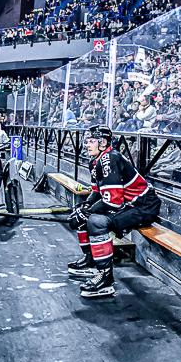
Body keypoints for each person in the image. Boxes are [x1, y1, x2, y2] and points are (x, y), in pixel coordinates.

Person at [67, 125, 161, 298]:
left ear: (102, 143)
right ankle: (91, 262)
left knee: (95, 222)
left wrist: (87, 213)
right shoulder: (95, 160)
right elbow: (97, 192)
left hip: (143, 206)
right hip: (129, 204)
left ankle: (105, 277)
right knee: (81, 213)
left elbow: (113, 201)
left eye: (92, 141)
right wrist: (83, 208)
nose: (87, 144)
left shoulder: (110, 158)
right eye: (87, 141)